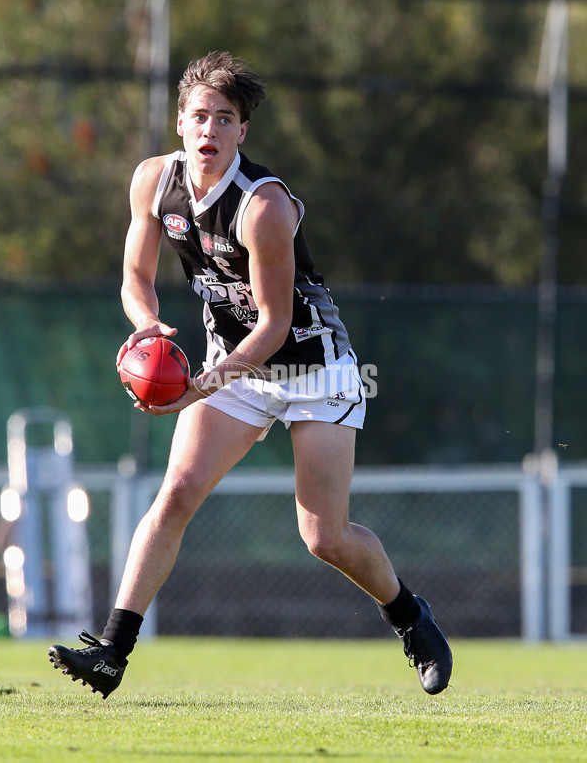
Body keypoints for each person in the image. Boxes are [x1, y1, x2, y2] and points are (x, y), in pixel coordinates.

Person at [48, 51, 452, 698]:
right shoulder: (154, 182)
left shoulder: (263, 207)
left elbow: (272, 324)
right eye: (199, 115)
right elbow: (134, 278)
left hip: (313, 368)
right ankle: (112, 653)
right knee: (177, 493)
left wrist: (196, 388)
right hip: (235, 368)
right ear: (180, 121)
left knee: (323, 537)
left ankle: (410, 617)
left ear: (242, 132)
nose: (210, 129)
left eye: (225, 118)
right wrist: (148, 326)